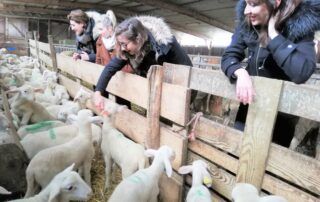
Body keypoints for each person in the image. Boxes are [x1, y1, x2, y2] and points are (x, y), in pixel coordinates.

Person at [221, 0, 320, 147]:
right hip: (250, 106)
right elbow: (229, 55)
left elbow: (302, 72)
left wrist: (273, 34)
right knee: (238, 151)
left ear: (276, 2)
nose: (246, 11)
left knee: (269, 164)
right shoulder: (247, 24)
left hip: (281, 115)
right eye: (247, 4)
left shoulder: (300, 24)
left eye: (253, 4)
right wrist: (240, 72)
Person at [93, 16, 193, 111]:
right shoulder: (128, 50)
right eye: (120, 44)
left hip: (178, 89)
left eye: (125, 44)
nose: (122, 48)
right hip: (156, 90)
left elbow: (184, 74)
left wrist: (184, 103)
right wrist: (98, 92)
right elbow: (110, 67)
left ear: (138, 39)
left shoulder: (164, 46)